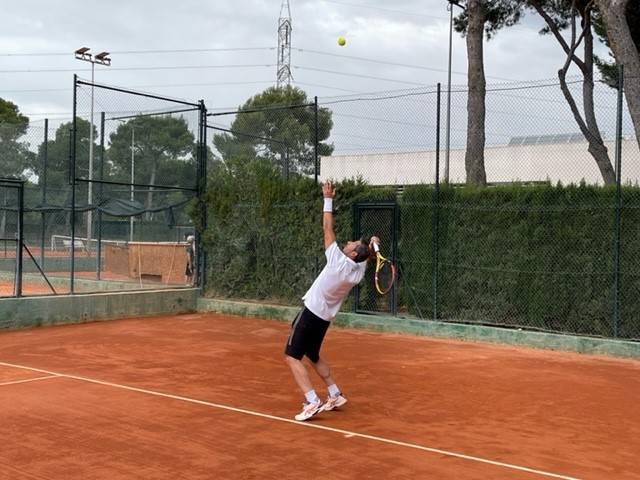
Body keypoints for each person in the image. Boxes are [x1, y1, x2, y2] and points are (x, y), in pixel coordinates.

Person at [284, 180, 379, 421]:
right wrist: (372, 244)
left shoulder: (338, 260)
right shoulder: (358, 271)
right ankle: (334, 393)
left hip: (310, 313)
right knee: (312, 354)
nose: (346, 243)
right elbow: (365, 254)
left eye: (351, 244)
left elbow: (327, 227)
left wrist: (328, 199)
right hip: (324, 319)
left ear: (353, 253)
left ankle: (311, 400)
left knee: (292, 356)